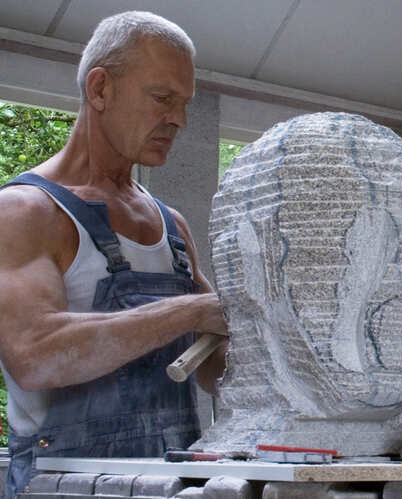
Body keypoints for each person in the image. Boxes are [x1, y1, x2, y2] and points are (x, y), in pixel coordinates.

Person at [0, 11, 228, 498]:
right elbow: (34, 355)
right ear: (100, 89)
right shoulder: (25, 211)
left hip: (171, 485)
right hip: (60, 487)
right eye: (162, 98)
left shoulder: (172, 226)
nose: (180, 120)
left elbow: (216, 368)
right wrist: (190, 311)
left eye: (184, 104)